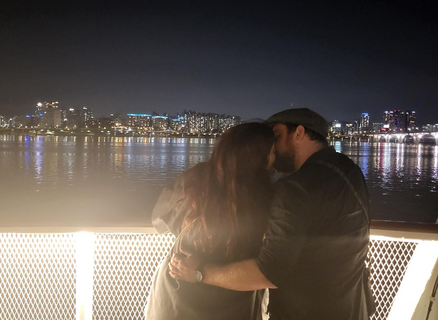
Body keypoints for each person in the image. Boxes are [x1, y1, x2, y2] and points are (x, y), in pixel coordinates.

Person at [170, 108, 374, 320]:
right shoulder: (350, 170)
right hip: (352, 308)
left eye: (276, 137)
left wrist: (200, 272)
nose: (273, 148)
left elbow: (269, 271)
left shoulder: (296, 188)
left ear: (299, 133)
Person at [145, 122, 276, 320]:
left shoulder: (195, 179)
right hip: (231, 299)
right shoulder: (265, 198)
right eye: (273, 152)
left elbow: (159, 220)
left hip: (177, 292)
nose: (276, 159)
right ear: (258, 157)